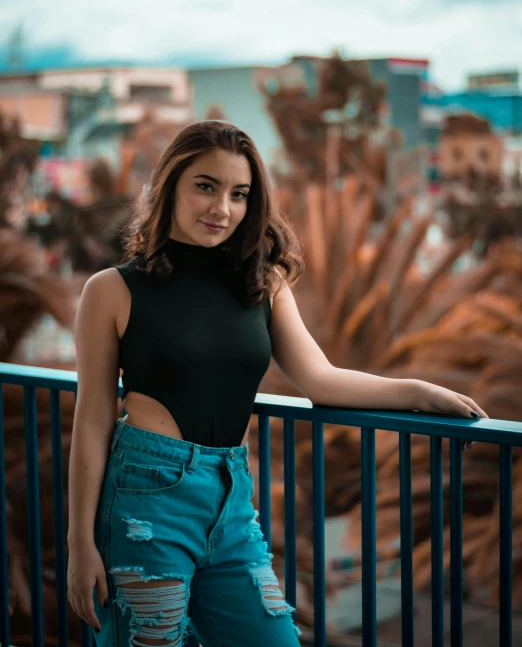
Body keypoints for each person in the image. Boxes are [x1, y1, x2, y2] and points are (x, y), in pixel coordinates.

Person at [67, 120, 488, 646]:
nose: (223, 207)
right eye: (205, 186)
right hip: (146, 501)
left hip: (232, 502)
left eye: (238, 194)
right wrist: (79, 544)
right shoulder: (111, 291)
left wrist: (419, 393)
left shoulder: (262, 284)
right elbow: (93, 419)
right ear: (170, 185)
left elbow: (321, 379)